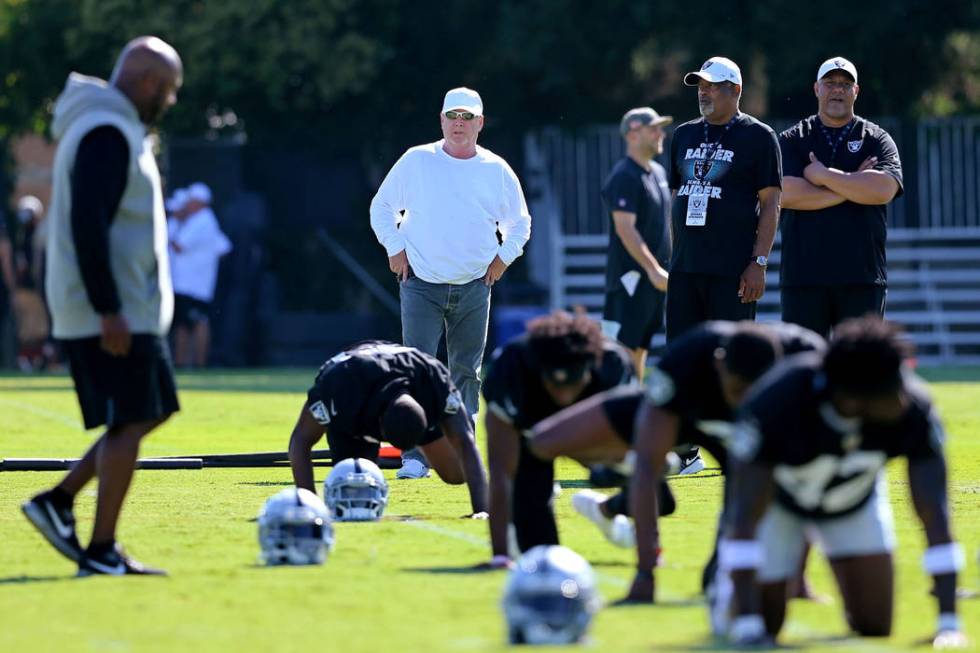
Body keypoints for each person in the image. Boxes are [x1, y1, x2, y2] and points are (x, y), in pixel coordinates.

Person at [21, 36, 183, 576]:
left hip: (123, 308)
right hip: (112, 312)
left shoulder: (109, 126)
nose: (171, 101)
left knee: (147, 410)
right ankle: (100, 549)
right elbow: (87, 225)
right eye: (169, 90)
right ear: (146, 82)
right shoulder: (107, 132)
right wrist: (108, 308)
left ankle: (60, 502)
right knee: (133, 416)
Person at [724, 317, 965, 648]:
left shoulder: (914, 410)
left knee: (875, 624)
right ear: (853, 398)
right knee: (764, 624)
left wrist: (949, 622)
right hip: (779, 505)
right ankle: (725, 598)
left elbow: (935, 515)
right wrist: (748, 624)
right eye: (891, 388)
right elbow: (744, 514)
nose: (902, 396)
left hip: (853, 500)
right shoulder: (779, 403)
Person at [370, 86, 532, 479]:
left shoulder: (496, 169)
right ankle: (414, 454)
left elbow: (520, 223)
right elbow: (382, 207)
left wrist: (501, 260)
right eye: (452, 117)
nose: (458, 124)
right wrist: (395, 248)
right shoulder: (417, 160)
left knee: (466, 370)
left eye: (466, 118)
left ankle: (463, 450)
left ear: (480, 123)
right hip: (420, 281)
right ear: (441, 120)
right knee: (418, 367)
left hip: (475, 284)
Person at [609, 320, 825, 603]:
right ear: (719, 365)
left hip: (760, 442)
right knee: (550, 439)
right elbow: (647, 466)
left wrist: (798, 578)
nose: (742, 402)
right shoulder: (687, 360)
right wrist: (645, 573)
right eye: (737, 390)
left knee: (721, 582)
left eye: (753, 391)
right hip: (693, 417)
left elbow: (809, 471)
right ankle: (603, 474)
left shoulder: (807, 363)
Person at [481, 310, 640, 567]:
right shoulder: (512, 369)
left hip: (592, 431)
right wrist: (500, 555)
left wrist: (648, 559)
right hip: (532, 437)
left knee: (658, 494)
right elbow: (501, 472)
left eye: (573, 383)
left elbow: (643, 456)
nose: (564, 396)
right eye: (554, 385)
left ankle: (604, 510)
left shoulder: (613, 366)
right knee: (537, 549)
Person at [287, 340, 489, 518]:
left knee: (455, 474)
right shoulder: (340, 387)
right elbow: (301, 440)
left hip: (400, 383)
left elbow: (465, 441)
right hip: (357, 385)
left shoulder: (432, 379)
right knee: (353, 482)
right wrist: (309, 506)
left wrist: (482, 509)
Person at [778, 57, 903, 338]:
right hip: (803, 277)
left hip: (862, 277)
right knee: (804, 367)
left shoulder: (876, 138)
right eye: (830, 83)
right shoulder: (792, 138)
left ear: (856, 91)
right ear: (816, 88)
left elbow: (884, 190)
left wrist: (823, 176)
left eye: (845, 84)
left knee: (861, 371)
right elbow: (785, 194)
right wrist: (853, 184)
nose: (838, 90)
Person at [666, 56, 782, 342]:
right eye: (700, 86)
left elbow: (771, 204)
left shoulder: (759, 136)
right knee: (682, 355)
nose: (703, 92)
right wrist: (676, 256)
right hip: (685, 269)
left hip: (732, 271)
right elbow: (675, 196)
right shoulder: (683, 134)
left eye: (713, 86)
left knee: (729, 355)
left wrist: (759, 263)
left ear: (736, 90)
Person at [601, 107, 673, 378]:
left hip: (652, 284)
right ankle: (615, 412)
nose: (660, 134)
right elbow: (625, 228)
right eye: (653, 128)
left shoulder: (657, 172)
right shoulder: (624, 176)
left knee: (640, 348)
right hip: (629, 281)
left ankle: (633, 408)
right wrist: (653, 269)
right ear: (632, 133)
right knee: (621, 352)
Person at [168, 182, 232, 367]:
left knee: (196, 323)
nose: (187, 206)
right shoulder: (201, 221)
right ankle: (187, 362)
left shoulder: (202, 220)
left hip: (192, 285)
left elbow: (178, 246)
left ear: (199, 202)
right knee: (185, 323)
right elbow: (224, 247)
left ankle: (196, 363)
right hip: (191, 284)